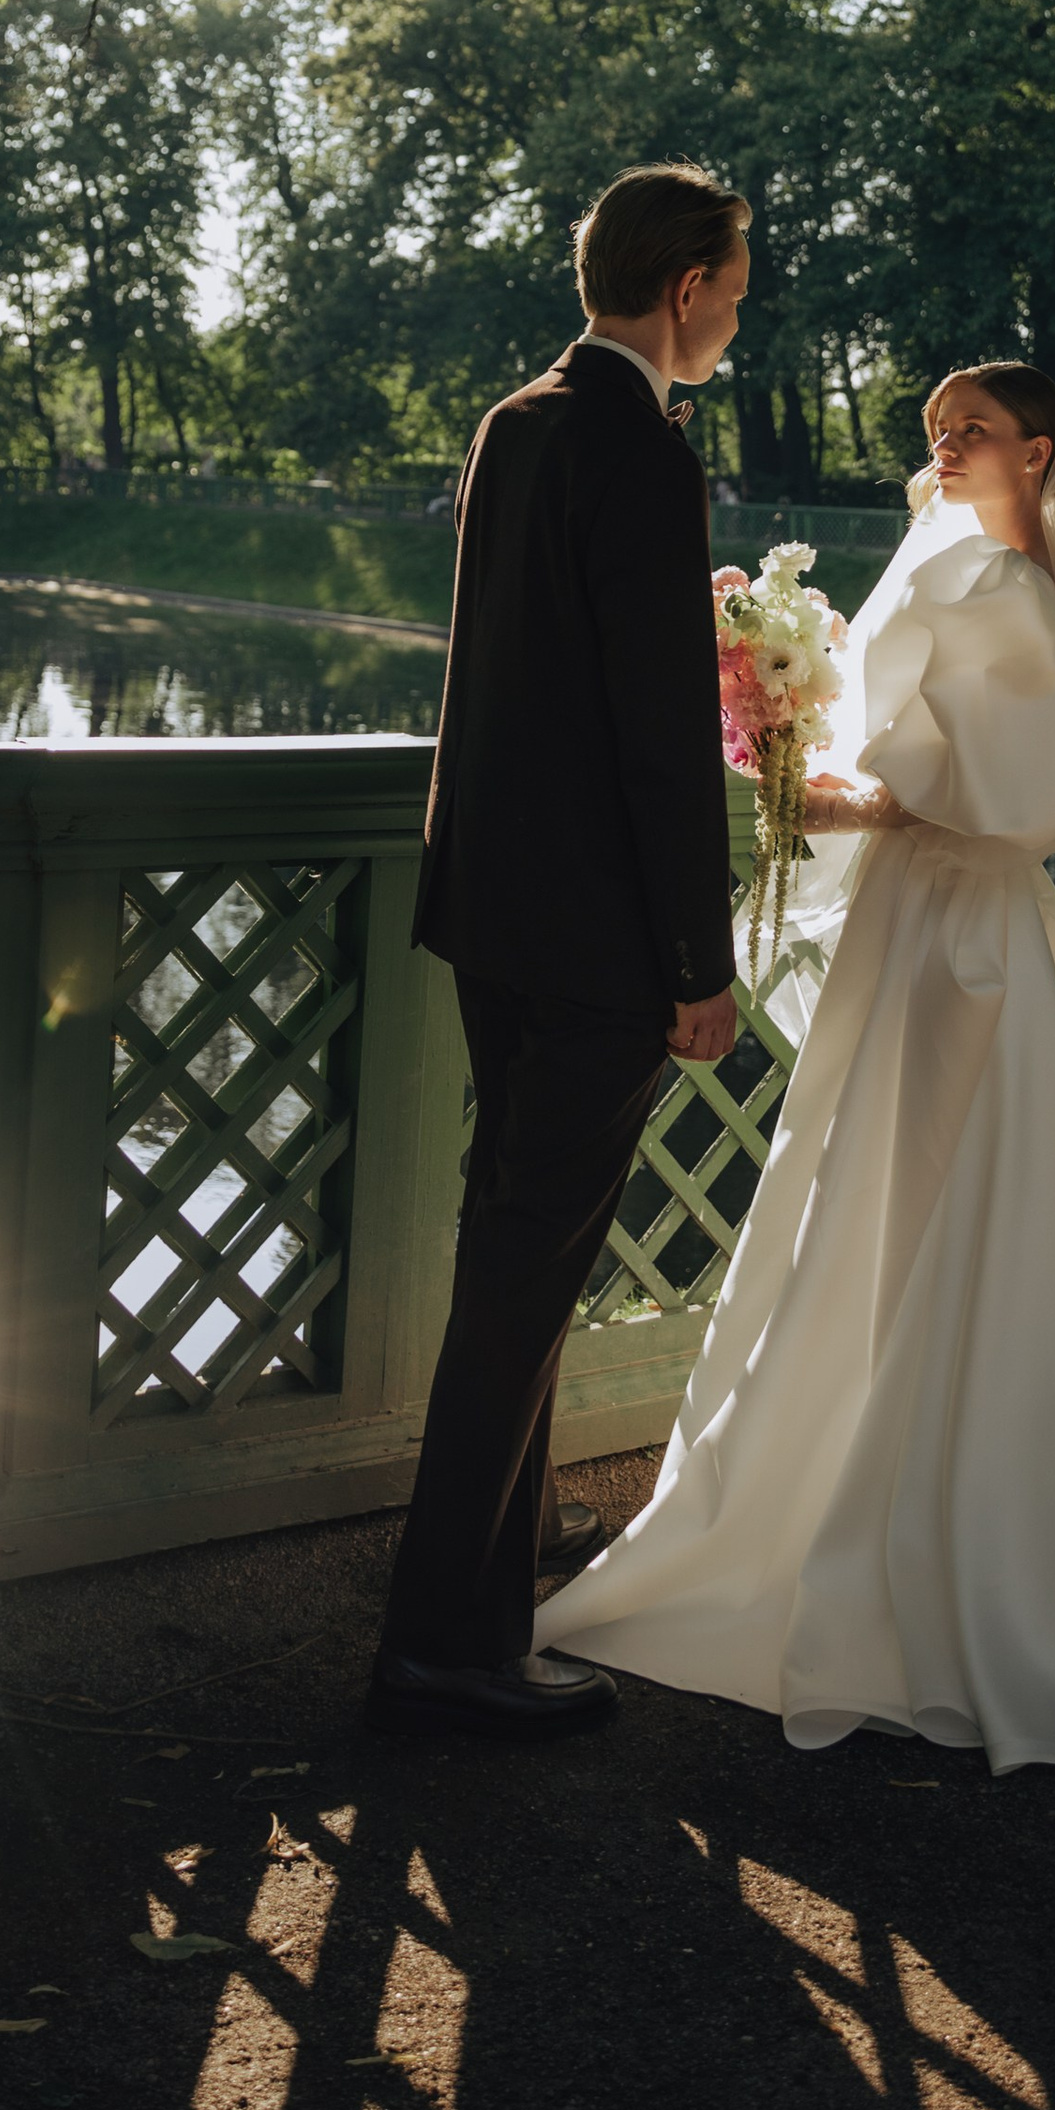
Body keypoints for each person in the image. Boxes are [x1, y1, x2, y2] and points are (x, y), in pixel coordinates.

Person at [537, 359, 1055, 1771]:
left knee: (956, 1200)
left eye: (975, 430)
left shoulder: (1017, 589)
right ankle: (869, 1484)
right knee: (868, 1192)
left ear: (1042, 447)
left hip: (965, 940)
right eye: (936, 428)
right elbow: (911, 757)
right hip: (920, 929)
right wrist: (800, 744)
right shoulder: (959, 558)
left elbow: (1012, 799)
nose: (946, 445)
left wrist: (824, 785)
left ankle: (951, 1534)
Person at [371, 162, 750, 1743]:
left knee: (505, 1250)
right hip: (601, 938)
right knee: (523, 1281)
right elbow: (661, 739)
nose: (739, 312)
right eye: (734, 285)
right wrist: (697, 956)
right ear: (683, 291)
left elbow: (497, 677)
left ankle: (484, 1590)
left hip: (492, 914)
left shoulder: (515, 424)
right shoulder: (643, 455)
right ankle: (446, 1641)